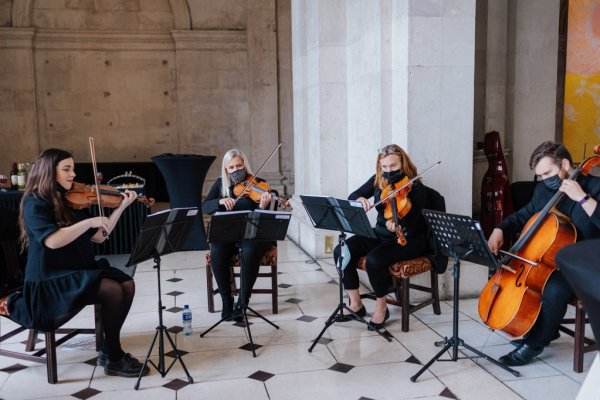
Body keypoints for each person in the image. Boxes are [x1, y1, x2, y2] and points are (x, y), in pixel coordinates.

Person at [1, 149, 148, 378]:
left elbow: (100, 236)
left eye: (73, 168)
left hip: (77, 271)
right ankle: (114, 356)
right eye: (66, 169)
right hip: (50, 280)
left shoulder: (69, 199)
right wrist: (89, 220)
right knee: (112, 290)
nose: (73, 174)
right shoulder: (34, 202)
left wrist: (121, 207)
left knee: (127, 284)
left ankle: (109, 350)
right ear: (49, 172)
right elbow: (52, 241)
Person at [488, 141, 600, 366]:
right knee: (519, 271)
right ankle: (544, 329)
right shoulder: (543, 189)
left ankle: (534, 344)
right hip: (558, 259)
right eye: (539, 175)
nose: (543, 180)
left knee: (553, 286)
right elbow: (524, 214)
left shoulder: (596, 187)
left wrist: (582, 198)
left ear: (565, 164)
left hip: (590, 262)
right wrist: (500, 229)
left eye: (547, 173)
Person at [333, 144, 429, 330]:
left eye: (393, 166)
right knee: (342, 251)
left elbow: (416, 222)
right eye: (384, 167)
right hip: (380, 233)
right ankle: (356, 304)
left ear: (403, 163)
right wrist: (359, 199)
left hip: (408, 239)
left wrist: (397, 225)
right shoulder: (379, 180)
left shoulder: (416, 188)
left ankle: (381, 308)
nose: (388, 171)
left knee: (374, 260)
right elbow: (353, 195)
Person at [202, 148, 274, 321]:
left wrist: (262, 207)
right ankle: (227, 300)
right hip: (229, 235)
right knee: (217, 250)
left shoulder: (259, 184)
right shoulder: (221, 184)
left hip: (254, 235)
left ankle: (243, 302)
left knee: (249, 250)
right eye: (231, 167)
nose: (236, 170)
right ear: (226, 169)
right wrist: (219, 200)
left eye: (239, 166)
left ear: (245, 165)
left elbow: (264, 218)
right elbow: (205, 206)